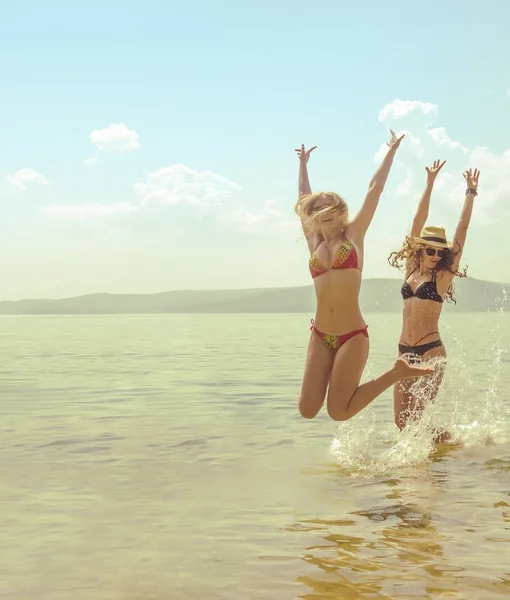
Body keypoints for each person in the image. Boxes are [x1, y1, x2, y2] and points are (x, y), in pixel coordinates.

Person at [294, 131, 434, 422]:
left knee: (339, 412)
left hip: (351, 336)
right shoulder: (314, 242)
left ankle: (396, 373)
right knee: (307, 410)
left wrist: (392, 151)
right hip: (320, 335)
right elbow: (304, 199)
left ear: (341, 211)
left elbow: (375, 189)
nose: (324, 212)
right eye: (319, 210)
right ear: (314, 216)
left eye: (331, 206)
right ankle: (397, 372)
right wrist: (303, 164)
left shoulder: (354, 235)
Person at [388, 161, 480, 441]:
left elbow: (461, 231)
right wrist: (429, 183)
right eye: (430, 250)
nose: (436, 256)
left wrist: (470, 192)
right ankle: (452, 445)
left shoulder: (442, 277)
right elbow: (417, 221)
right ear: (420, 248)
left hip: (431, 352)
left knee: (416, 420)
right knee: (402, 422)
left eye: (440, 252)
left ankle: (428, 469)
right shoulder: (410, 270)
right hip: (405, 352)